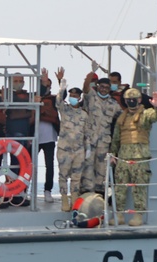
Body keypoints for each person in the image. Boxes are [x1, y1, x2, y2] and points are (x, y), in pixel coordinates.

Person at [110, 88, 157, 227]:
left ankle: (138, 215)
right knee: (120, 187)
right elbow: (116, 138)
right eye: (128, 100)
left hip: (140, 157)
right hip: (123, 157)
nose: (131, 101)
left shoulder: (146, 114)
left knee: (139, 187)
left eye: (133, 99)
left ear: (139, 100)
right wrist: (113, 154)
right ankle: (119, 215)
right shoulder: (122, 118)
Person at [82, 75, 122, 196]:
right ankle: (86, 192)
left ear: (110, 89)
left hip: (104, 142)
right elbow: (85, 88)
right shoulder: (91, 97)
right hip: (89, 140)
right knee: (88, 166)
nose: (104, 89)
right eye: (102, 86)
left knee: (102, 168)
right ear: (98, 87)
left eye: (107, 87)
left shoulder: (113, 104)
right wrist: (91, 73)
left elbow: (123, 117)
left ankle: (99, 193)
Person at [54, 68, 86, 211]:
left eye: (75, 95)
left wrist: (88, 148)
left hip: (78, 150)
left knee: (76, 177)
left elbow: (86, 133)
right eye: (71, 95)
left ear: (79, 98)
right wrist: (61, 84)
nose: (72, 97)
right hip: (64, 149)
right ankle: (64, 200)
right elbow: (58, 100)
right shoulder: (64, 109)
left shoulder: (84, 115)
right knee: (63, 176)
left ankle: (74, 199)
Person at [37, 68, 60, 204]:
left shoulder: (53, 99)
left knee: (49, 166)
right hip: (34, 138)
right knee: (29, 165)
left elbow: (62, 97)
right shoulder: (33, 97)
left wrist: (59, 80)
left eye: (48, 85)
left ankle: (47, 190)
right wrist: (43, 81)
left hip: (49, 138)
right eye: (44, 84)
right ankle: (24, 190)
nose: (46, 87)